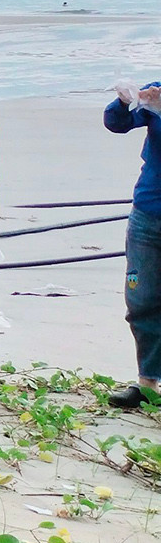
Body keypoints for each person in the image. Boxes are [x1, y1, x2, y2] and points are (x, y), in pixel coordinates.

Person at [103, 81, 161, 409]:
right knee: (141, 299)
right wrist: (125, 102)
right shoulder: (157, 92)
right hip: (148, 212)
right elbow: (117, 123)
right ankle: (148, 383)